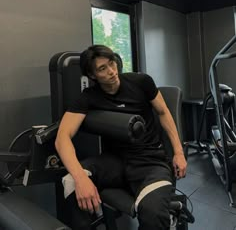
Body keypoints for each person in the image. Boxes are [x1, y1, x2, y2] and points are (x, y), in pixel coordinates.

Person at [55, 44, 187, 230]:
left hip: (150, 162)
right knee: (70, 182)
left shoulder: (141, 82)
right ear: (92, 76)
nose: (111, 71)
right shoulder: (89, 97)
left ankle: (167, 217)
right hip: (114, 162)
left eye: (112, 63)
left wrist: (178, 152)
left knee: (153, 213)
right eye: (102, 68)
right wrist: (80, 178)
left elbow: (164, 112)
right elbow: (62, 137)